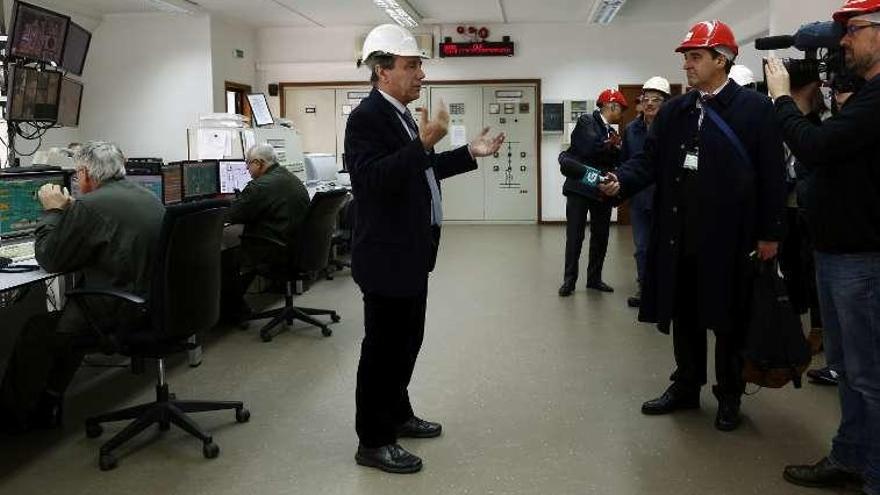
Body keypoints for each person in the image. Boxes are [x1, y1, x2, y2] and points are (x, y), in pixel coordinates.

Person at [599, 20, 785, 432]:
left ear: (723, 59)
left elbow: (773, 175)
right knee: (684, 314)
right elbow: (648, 161)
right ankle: (686, 386)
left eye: (696, 56)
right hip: (678, 234)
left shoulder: (754, 110)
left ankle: (729, 394)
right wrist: (622, 181)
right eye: (685, 56)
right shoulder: (676, 112)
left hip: (731, 238)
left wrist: (770, 233)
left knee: (728, 318)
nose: (687, 64)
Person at [346, 24, 504, 473]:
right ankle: (373, 440)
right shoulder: (366, 118)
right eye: (411, 65)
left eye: (420, 65)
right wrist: (423, 143)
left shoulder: (398, 113)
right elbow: (373, 181)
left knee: (406, 342)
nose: (420, 74)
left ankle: (397, 412)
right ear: (382, 71)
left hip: (412, 253)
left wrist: (468, 153)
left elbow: (423, 169)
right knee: (382, 350)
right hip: (386, 256)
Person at [765, 1, 880, 492]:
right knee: (849, 371)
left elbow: (814, 150)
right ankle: (851, 458)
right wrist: (809, 114)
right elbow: (825, 155)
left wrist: (782, 103)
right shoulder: (864, 98)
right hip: (836, 252)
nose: (844, 42)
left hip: (864, 259)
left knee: (870, 377)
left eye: (852, 31)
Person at [0, 141, 165, 432]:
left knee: (39, 329)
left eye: (77, 175)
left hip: (121, 309)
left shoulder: (90, 206)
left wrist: (52, 212)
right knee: (69, 317)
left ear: (86, 174)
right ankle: (49, 401)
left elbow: (50, 259)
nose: (76, 181)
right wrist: (75, 212)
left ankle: (16, 419)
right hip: (153, 302)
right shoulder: (146, 196)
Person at [805, 72, 864, 387]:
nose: (836, 97)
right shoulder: (830, 122)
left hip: (856, 249)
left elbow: (814, 149)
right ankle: (836, 366)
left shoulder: (860, 119)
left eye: (842, 91)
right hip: (829, 240)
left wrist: (791, 103)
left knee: (861, 357)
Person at [220, 143, 310, 321]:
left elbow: (232, 214)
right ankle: (235, 307)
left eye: (248, 164)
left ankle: (232, 311)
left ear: (259, 163)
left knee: (226, 257)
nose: (247, 169)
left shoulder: (259, 186)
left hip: (278, 250)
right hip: (299, 248)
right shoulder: (290, 178)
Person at [557, 88, 628, 296]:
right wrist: (611, 147)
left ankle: (594, 279)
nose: (621, 114)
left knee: (601, 236)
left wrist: (611, 148)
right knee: (575, 236)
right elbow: (589, 148)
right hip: (579, 189)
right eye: (620, 109)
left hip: (601, 190)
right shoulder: (587, 121)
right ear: (611, 106)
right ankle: (569, 281)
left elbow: (617, 157)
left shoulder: (612, 133)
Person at [620, 76, 671, 308]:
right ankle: (644, 288)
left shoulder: (674, 128)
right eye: (646, 99)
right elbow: (628, 163)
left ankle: (666, 290)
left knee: (666, 245)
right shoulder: (631, 130)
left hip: (667, 198)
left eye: (656, 99)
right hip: (640, 199)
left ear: (666, 103)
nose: (649, 103)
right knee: (642, 247)